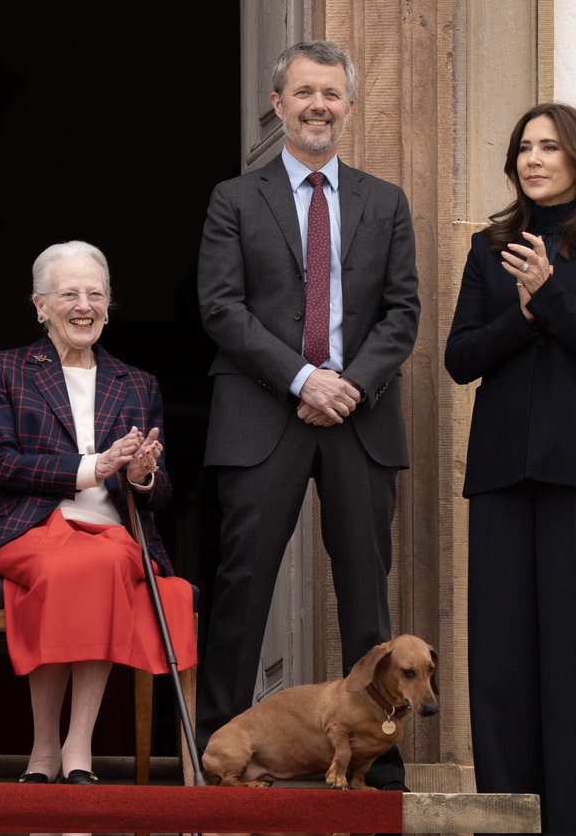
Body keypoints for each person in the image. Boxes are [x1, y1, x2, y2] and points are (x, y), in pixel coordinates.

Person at [195, 40, 420, 790]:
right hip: (262, 412)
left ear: (348, 106)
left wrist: (346, 383)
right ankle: (216, 754)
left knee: (365, 590)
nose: (317, 105)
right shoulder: (234, 198)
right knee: (243, 586)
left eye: (331, 94)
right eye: (303, 93)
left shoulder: (384, 202)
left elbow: (401, 312)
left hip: (359, 414)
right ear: (278, 103)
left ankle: (375, 761)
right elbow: (220, 308)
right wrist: (301, 379)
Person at [444, 102, 576, 833]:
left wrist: (550, 294)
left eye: (548, 147)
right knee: (499, 664)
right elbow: (459, 357)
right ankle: (507, 819)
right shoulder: (488, 246)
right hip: (501, 472)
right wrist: (523, 313)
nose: (532, 159)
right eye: (523, 147)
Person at [0, 240, 197, 785]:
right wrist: (95, 466)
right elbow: (1, 464)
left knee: (102, 561)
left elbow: (161, 493)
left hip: (111, 532)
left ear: (109, 304)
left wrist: (139, 475)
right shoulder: (7, 370)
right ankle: (45, 748)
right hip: (27, 528)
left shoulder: (137, 383)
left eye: (95, 293)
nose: (83, 305)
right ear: (40, 305)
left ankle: (75, 743)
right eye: (68, 294)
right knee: (84, 566)